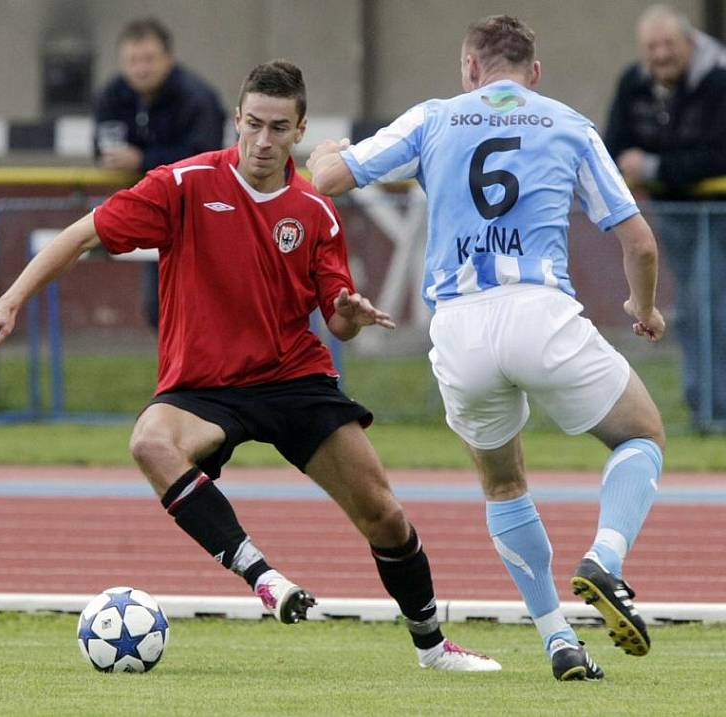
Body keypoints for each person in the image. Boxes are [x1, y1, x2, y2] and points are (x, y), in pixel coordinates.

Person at [0, 60, 500, 674]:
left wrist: (350, 311)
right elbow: (80, 236)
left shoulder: (316, 212)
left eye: (279, 127)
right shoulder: (184, 184)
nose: (264, 141)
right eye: (253, 125)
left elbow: (338, 320)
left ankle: (433, 647)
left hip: (294, 379)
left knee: (383, 513)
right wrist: (9, 303)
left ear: (300, 130)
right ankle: (263, 576)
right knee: (150, 441)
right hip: (205, 386)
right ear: (237, 121)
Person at [308, 15, 666, 681]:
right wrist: (641, 308)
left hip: (461, 327)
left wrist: (323, 151)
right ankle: (606, 559)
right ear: (534, 73)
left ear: (469, 68)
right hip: (540, 312)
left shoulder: (435, 117)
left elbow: (331, 178)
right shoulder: (568, 122)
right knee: (641, 435)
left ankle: (557, 636)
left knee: (503, 480)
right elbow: (639, 242)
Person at [605, 4, 726, 428]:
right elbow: (614, 143)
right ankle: (706, 409)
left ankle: (714, 412)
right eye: (652, 47)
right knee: (694, 311)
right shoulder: (634, 83)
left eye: (669, 45)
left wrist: (652, 166)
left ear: (690, 44)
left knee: (710, 308)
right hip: (671, 213)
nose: (660, 55)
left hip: (717, 212)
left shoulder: (719, 79)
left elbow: (717, 155)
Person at [94, 17, 226, 329]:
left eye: (149, 59)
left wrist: (142, 160)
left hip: (203, 210)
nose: (141, 68)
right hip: (149, 208)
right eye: (132, 61)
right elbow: (100, 146)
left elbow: (205, 158)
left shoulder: (196, 97)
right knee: (160, 310)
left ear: (169, 58)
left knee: (208, 305)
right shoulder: (112, 94)